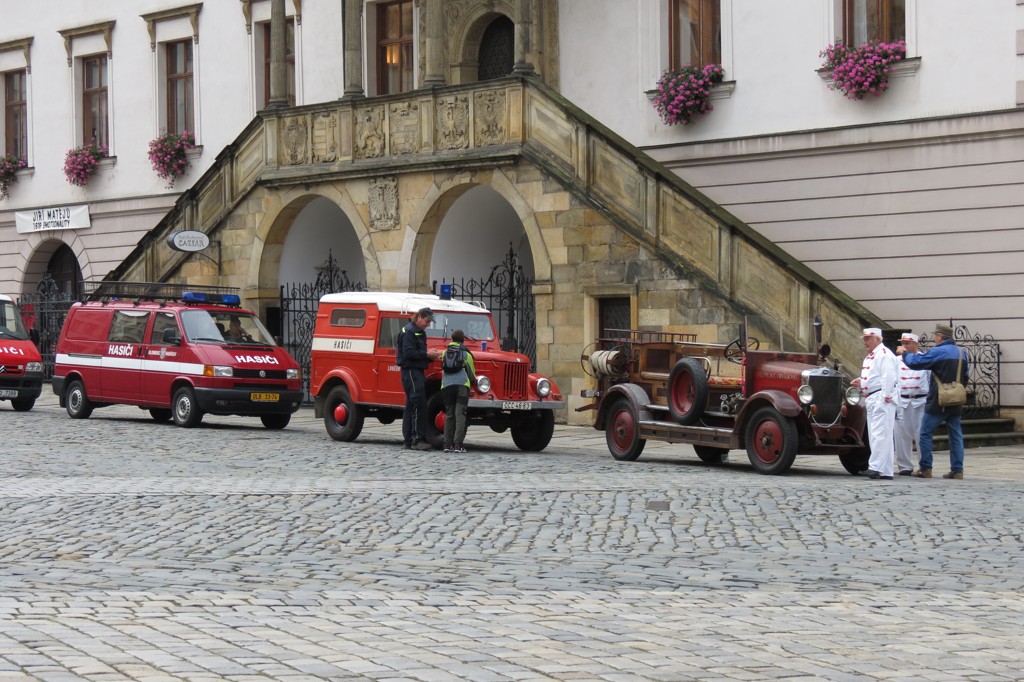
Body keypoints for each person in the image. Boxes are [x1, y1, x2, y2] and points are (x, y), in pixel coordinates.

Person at [898, 322, 969, 479]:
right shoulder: (961, 353)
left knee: (925, 433)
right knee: (956, 435)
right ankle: (957, 470)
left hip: (939, 399)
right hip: (956, 399)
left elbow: (915, 363)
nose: (934, 338)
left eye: (935, 336)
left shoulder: (938, 351)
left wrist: (904, 353)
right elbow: (966, 377)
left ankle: (925, 468)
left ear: (940, 336)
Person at [851, 327, 899, 480]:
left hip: (880, 397)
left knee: (879, 434)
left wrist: (885, 396)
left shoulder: (884, 355)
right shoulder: (872, 356)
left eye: (869, 338)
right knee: (879, 434)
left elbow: (889, 377)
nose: (865, 341)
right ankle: (885, 469)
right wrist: (861, 383)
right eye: (864, 338)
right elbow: (876, 377)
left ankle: (875, 467)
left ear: (878, 339)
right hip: (873, 396)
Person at [396, 307, 441, 450]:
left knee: (411, 405)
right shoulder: (409, 331)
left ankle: (408, 440)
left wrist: (430, 357)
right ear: (420, 317)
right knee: (418, 404)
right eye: (427, 321)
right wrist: (427, 355)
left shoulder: (418, 332)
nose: (428, 324)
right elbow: (409, 353)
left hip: (416, 371)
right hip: (411, 371)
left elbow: (417, 354)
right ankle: (417, 440)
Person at [894, 332, 930, 477]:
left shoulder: (924, 360)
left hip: (920, 401)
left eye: (908, 343)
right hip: (902, 400)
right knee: (901, 434)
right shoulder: (896, 360)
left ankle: (924, 465)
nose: (905, 346)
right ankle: (904, 466)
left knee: (921, 434)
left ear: (916, 344)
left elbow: (929, 379)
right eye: (903, 343)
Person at [441, 329, 478, 453]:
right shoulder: (466, 355)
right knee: (460, 415)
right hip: (462, 386)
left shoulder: (445, 352)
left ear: (452, 339)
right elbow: (471, 375)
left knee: (449, 414)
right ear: (463, 340)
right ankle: (458, 445)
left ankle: (447, 444)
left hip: (446, 386)